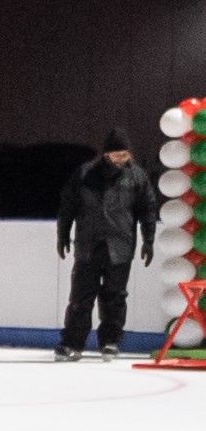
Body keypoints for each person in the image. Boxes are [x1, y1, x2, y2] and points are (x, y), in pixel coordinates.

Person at [56, 128, 160, 360]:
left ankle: (111, 341)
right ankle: (72, 344)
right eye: (117, 155)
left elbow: (148, 209)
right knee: (81, 298)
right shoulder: (85, 174)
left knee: (115, 296)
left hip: (120, 247)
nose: (122, 159)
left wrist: (149, 239)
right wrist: (62, 234)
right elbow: (68, 206)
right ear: (106, 155)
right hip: (89, 246)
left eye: (125, 154)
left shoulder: (136, 177)